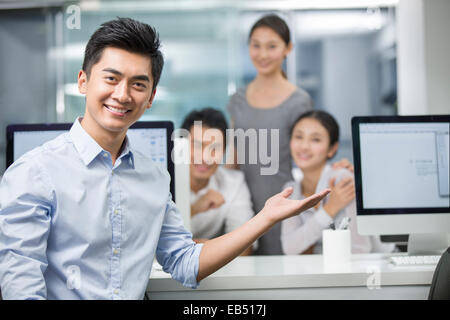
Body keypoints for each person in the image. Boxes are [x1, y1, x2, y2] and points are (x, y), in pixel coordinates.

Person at [0, 18, 330, 300]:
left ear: (151, 98)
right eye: (111, 78)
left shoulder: (154, 178)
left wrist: (265, 218)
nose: (123, 94)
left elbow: (185, 261)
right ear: (84, 82)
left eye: (138, 84)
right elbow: (21, 286)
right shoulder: (35, 173)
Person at [226, 14, 350, 255]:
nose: (262, 54)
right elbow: (234, 160)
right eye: (256, 45)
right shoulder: (238, 100)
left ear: (288, 48)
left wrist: (335, 167)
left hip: (284, 205)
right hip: (241, 207)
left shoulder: (299, 101)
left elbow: (309, 154)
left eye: (272, 46)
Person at [281, 110, 395, 255]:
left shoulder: (343, 179)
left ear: (332, 148)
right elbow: (290, 248)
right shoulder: (291, 190)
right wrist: (330, 209)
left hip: (378, 266)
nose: (304, 146)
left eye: (315, 139)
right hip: (327, 269)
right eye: (298, 137)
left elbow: (359, 249)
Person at [181, 108, 255, 255]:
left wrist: (184, 246)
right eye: (197, 146)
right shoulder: (161, 182)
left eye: (215, 148)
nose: (205, 157)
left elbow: (244, 248)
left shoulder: (234, 182)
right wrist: (194, 209)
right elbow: (150, 241)